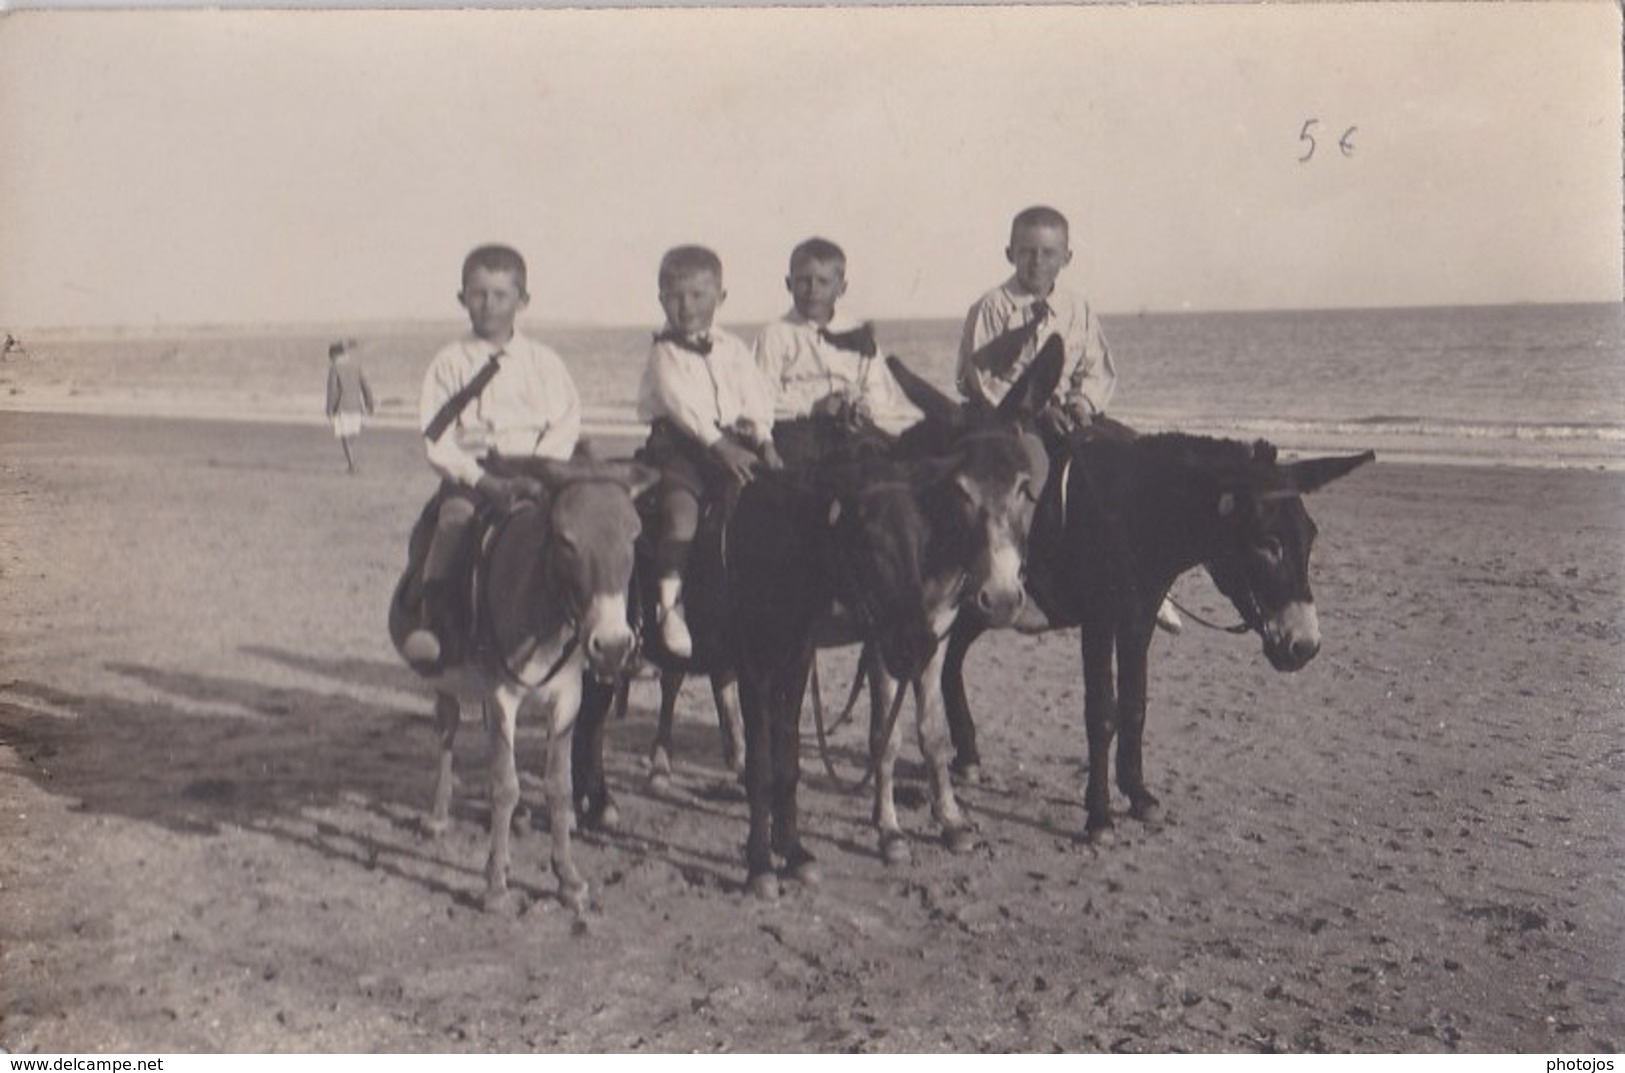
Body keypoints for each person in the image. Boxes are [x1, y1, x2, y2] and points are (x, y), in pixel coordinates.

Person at [958, 205, 1182, 633]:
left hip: (1069, 414)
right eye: (1026, 252)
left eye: (1047, 253)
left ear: (1066, 257)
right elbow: (982, 376)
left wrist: (1081, 403)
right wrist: (1038, 409)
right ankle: (1021, 570)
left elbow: (1096, 366)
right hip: (1011, 419)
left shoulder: (1076, 308)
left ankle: (1148, 580)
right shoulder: (991, 307)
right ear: (1009, 253)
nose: (1036, 262)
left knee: (1131, 459)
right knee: (1034, 470)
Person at [400, 244, 583, 674]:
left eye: (500, 295)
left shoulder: (544, 362)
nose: (488, 304)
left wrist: (542, 469)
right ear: (462, 298)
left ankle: (591, 623)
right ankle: (436, 621)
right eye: (478, 293)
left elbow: (566, 420)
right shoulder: (449, 363)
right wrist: (482, 481)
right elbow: (437, 437)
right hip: (475, 472)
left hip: (537, 468)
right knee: (453, 522)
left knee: (582, 527)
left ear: (523, 300)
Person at [636, 244, 781, 659]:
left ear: (720, 296)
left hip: (735, 441)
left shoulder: (733, 348)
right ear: (661, 298)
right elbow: (684, 407)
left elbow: (756, 395)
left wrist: (766, 440)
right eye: (674, 296)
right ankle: (669, 605)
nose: (686, 306)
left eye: (697, 295)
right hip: (682, 448)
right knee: (681, 514)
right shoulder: (664, 351)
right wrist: (722, 448)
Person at [753, 237, 915, 442]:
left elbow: (879, 388)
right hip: (798, 427)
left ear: (841, 288)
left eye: (823, 281)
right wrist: (812, 406)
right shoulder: (775, 335)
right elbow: (759, 397)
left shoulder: (857, 332)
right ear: (788, 284)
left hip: (850, 425)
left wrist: (865, 406)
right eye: (804, 280)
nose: (813, 289)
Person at [324, 338, 374, 473]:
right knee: (351, 434)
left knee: (344, 435)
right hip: (356, 405)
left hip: (342, 405)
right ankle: (351, 462)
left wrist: (329, 408)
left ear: (334, 355)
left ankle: (352, 464)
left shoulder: (334, 368)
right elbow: (365, 386)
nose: (330, 360)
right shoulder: (356, 366)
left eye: (330, 357)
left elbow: (333, 390)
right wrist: (370, 403)